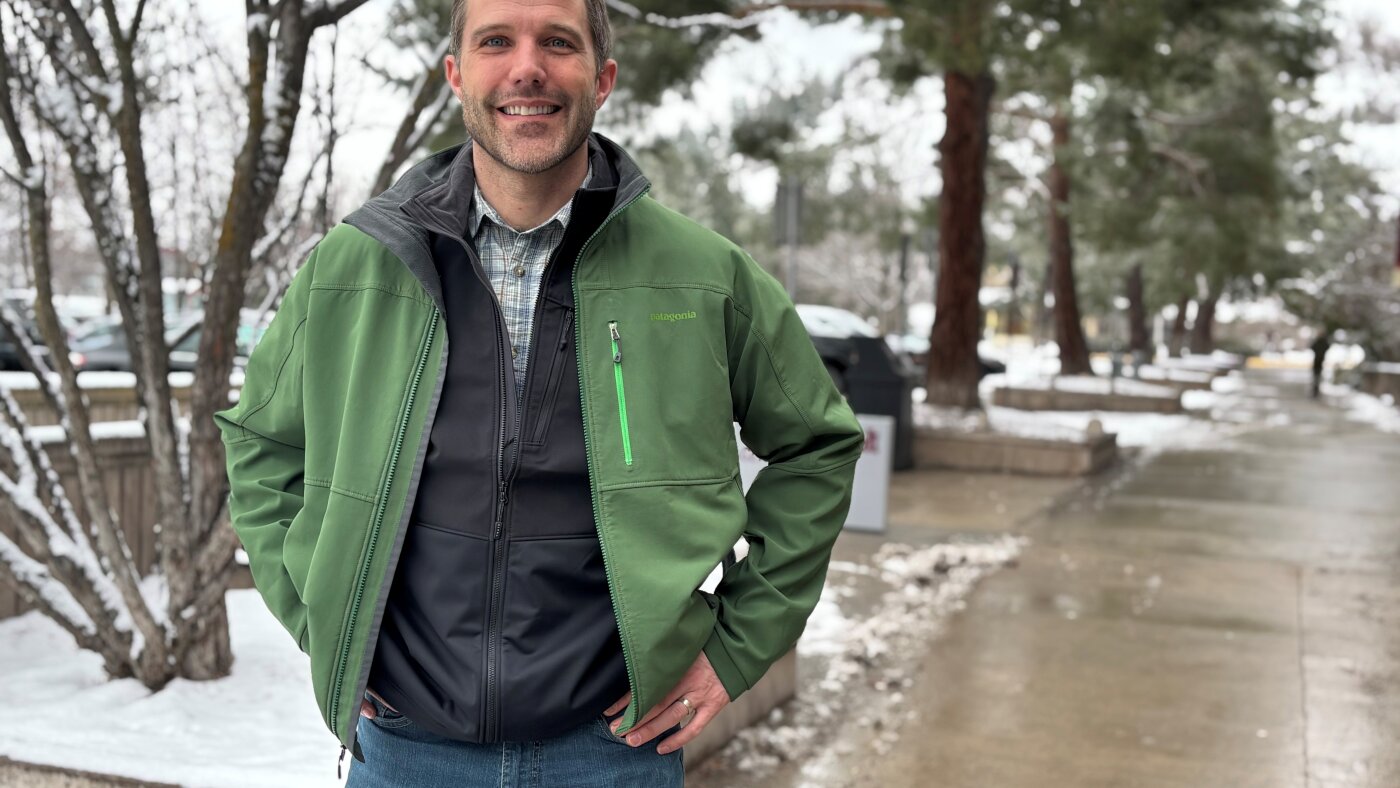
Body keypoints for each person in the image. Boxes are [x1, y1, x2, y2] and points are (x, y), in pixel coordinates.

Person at [213, 0, 863, 785]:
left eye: (558, 41)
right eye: (496, 41)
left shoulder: (704, 277)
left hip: (614, 751)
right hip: (407, 752)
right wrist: (330, 624)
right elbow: (261, 445)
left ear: (603, 78)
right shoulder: (355, 264)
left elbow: (817, 445)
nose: (527, 68)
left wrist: (735, 647)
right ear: (457, 74)